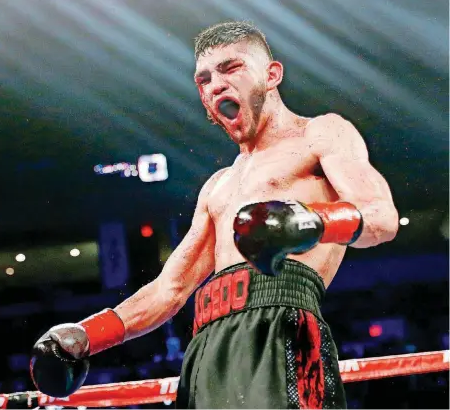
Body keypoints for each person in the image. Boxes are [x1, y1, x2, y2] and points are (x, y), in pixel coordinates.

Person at [30, 21, 399, 409]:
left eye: (231, 68)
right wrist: (87, 334)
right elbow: (168, 291)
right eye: (203, 79)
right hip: (207, 344)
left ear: (271, 75)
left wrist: (306, 221)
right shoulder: (218, 186)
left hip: (280, 326)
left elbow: (380, 217)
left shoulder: (321, 133)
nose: (215, 85)